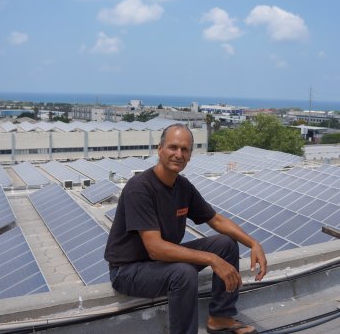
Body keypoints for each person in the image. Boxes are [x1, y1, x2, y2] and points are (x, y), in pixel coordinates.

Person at [105, 123, 268, 334]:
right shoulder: (140, 188)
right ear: (160, 149)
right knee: (183, 273)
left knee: (225, 244)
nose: (178, 154)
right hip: (128, 270)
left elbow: (216, 220)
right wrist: (212, 259)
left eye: (185, 149)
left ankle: (220, 317)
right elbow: (155, 248)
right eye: (173, 147)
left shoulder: (183, 187)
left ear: (190, 155)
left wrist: (253, 243)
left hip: (159, 263)